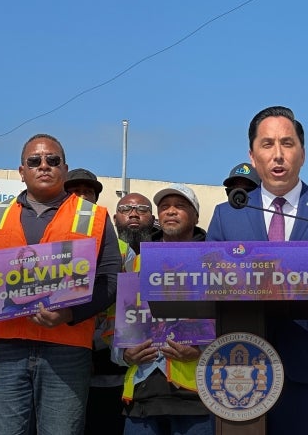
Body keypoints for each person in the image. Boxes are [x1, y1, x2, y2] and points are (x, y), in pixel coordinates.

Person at [206, 105, 308, 435]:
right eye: (267, 145)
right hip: (238, 368)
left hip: (306, 367)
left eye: (287, 143)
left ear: (303, 154)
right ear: (253, 155)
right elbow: (207, 284)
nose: (278, 155)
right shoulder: (227, 215)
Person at [0, 133, 121, 435]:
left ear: (64, 168)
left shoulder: (93, 216)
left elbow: (109, 281)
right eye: (34, 161)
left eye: (53, 160)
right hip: (3, 351)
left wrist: (69, 314)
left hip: (67, 350)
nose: (44, 165)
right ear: (22, 172)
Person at [116, 183, 212, 435]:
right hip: (142, 396)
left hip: (198, 398)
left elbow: (233, 323)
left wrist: (203, 351)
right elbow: (115, 325)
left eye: (180, 206)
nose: (171, 211)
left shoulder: (216, 263)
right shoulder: (136, 263)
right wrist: (124, 356)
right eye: (165, 207)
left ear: (196, 216)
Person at [63, 171, 124, 435]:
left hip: (107, 367)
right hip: (61, 359)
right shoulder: (51, 240)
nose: (81, 196)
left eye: (88, 191)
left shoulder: (123, 250)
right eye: (74, 190)